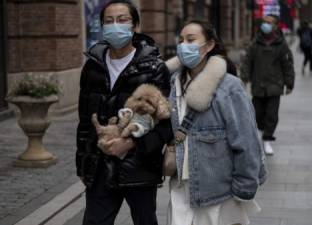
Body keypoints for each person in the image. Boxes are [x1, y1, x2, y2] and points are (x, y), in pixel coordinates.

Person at [75, 1, 173, 224]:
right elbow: (84, 121)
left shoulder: (155, 68)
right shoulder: (92, 66)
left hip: (139, 166)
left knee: (144, 221)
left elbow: (166, 125)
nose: (115, 25)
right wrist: (82, 163)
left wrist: (130, 144)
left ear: (135, 25)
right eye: (108, 21)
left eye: (122, 20)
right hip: (100, 165)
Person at [165, 20, 266, 225]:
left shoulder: (230, 87)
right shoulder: (172, 83)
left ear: (209, 45)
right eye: (181, 40)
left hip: (218, 192)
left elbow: (247, 142)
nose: (184, 45)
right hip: (181, 189)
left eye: (191, 40)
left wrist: (244, 188)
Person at [241, 14, 295, 155]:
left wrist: (289, 83)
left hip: (274, 86)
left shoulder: (281, 44)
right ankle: (259, 134)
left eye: (269, 23)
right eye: (264, 22)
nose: (266, 25)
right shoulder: (255, 43)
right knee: (257, 113)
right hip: (258, 85)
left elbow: (287, 64)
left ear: (276, 26)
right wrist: (244, 78)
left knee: (271, 115)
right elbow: (247, 62)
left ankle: (267, 140)